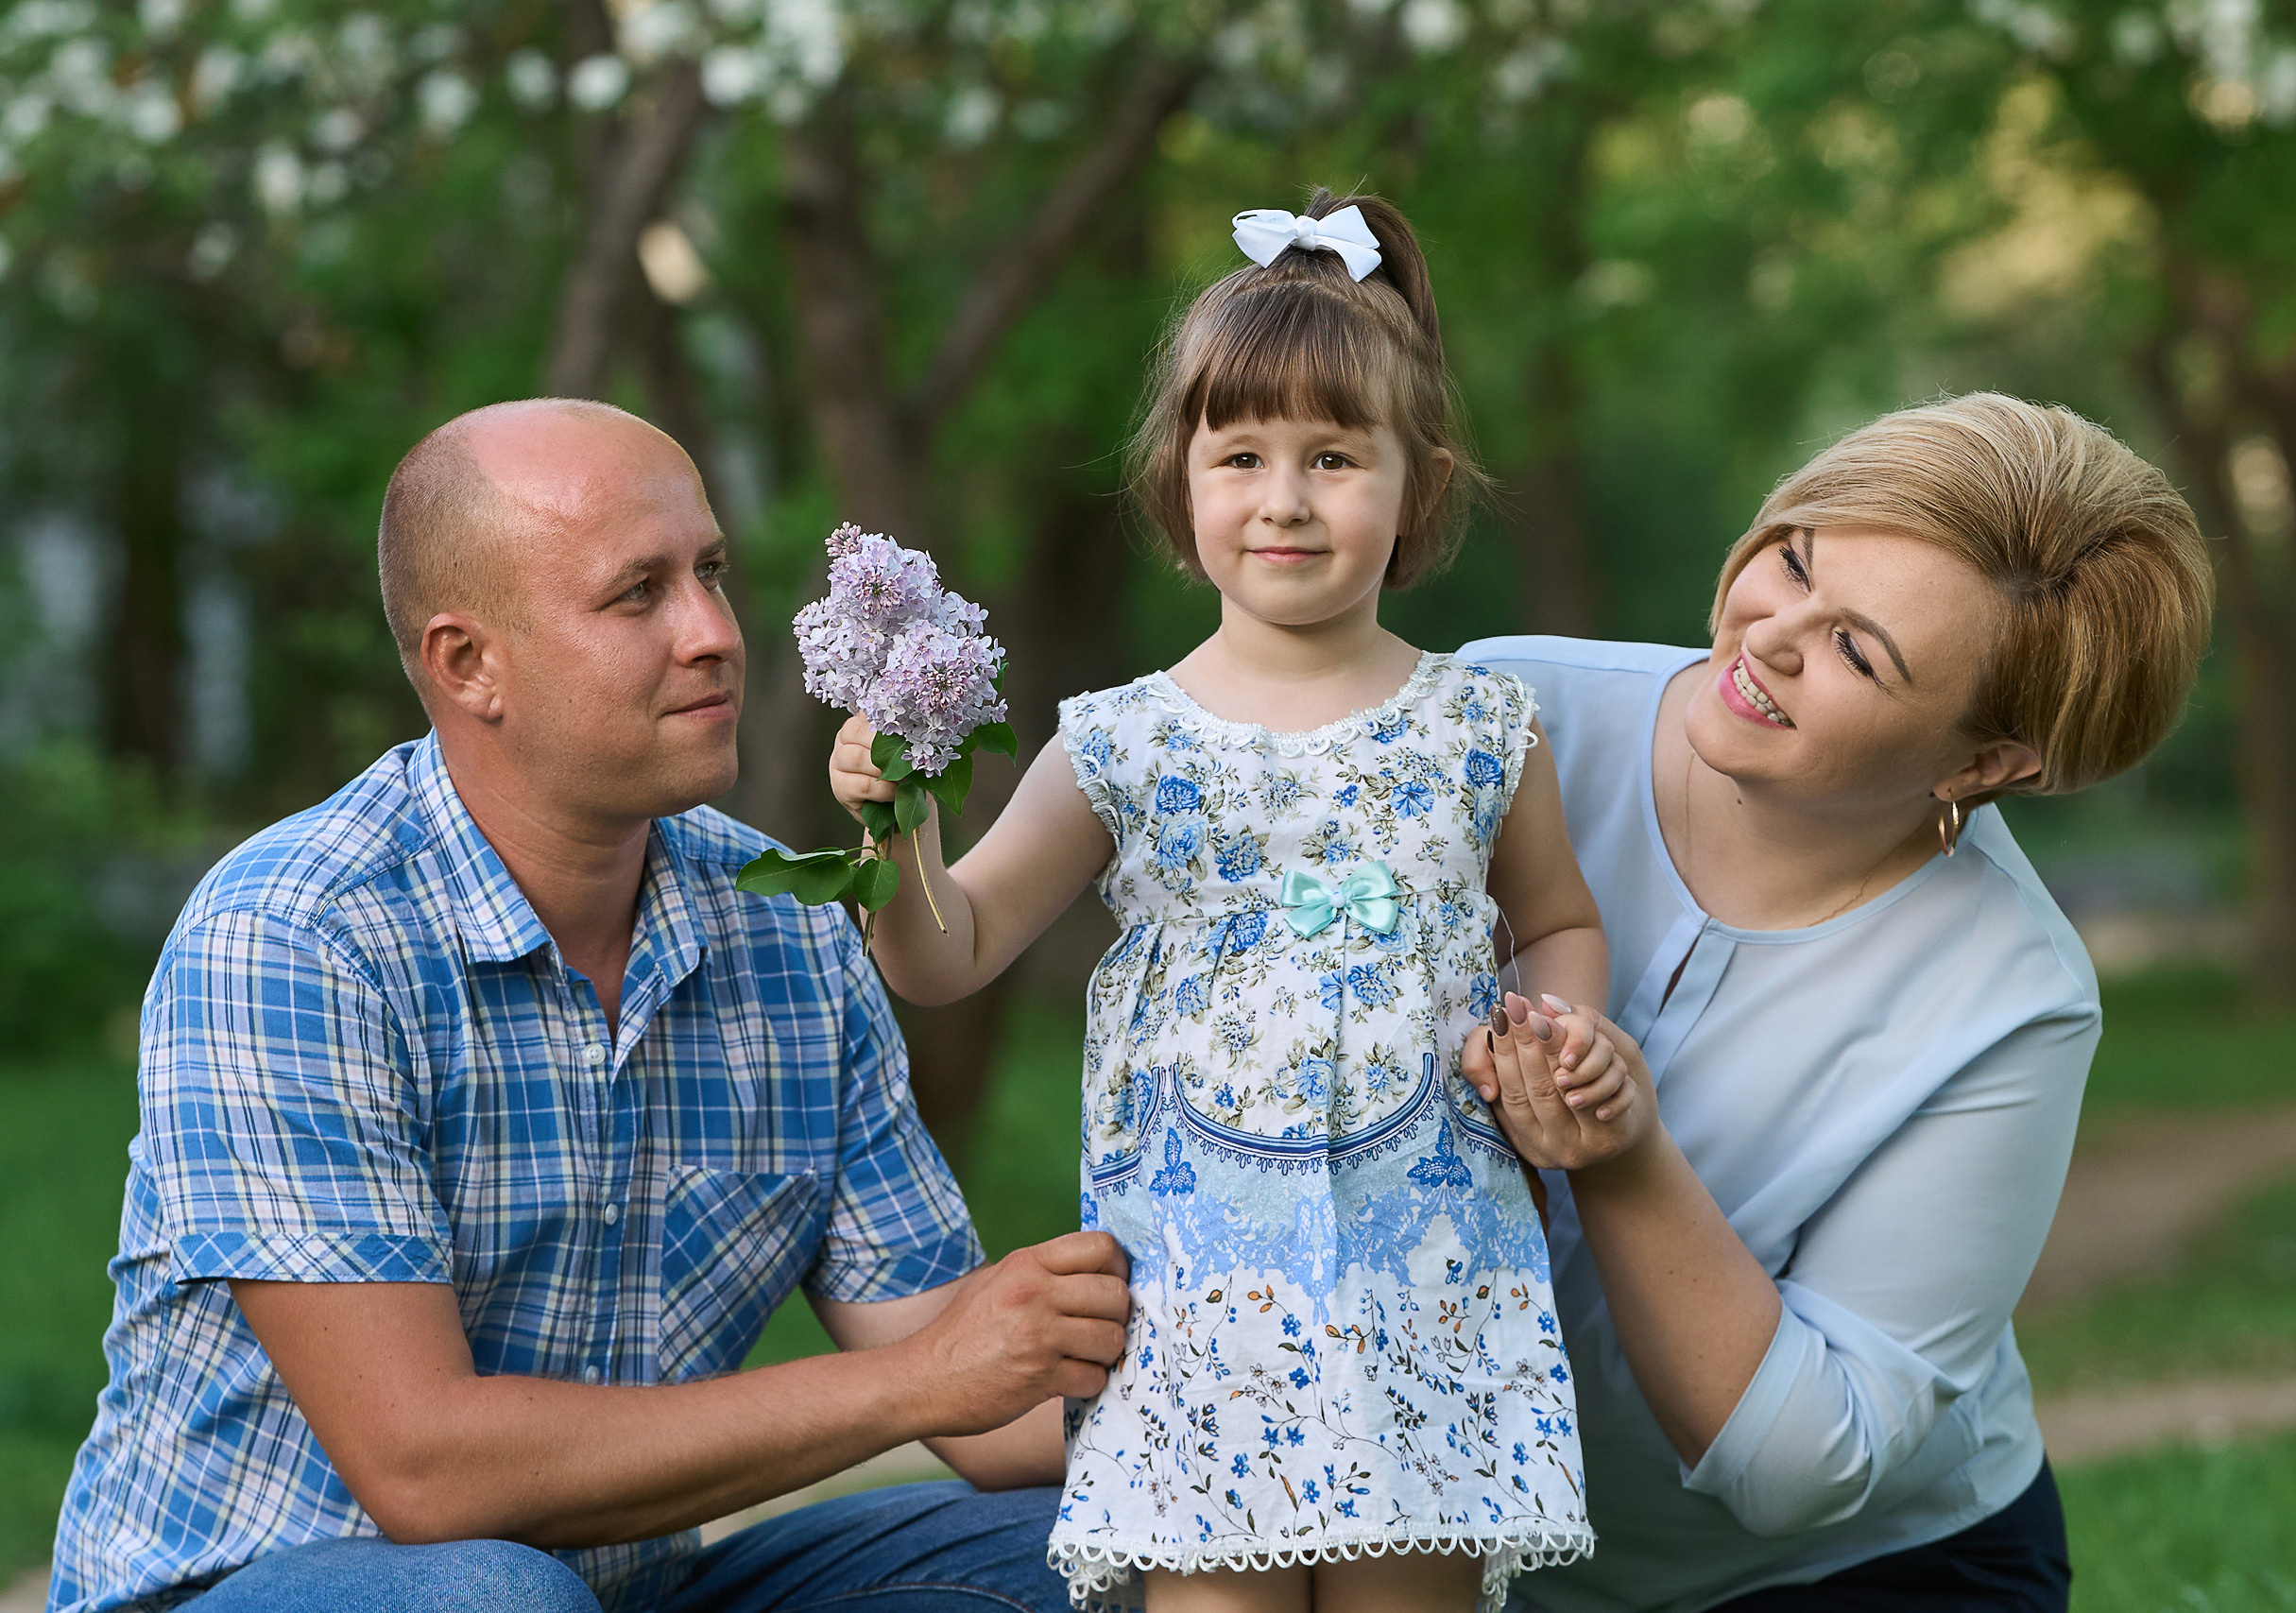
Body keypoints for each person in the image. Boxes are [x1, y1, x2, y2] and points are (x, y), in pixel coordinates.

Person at [49, 399, 1131, 1613]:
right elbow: (428, 1472)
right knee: (490, 1598)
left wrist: (1295, 1382)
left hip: (621, 1591)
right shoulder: (295, 938)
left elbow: (986, 1407)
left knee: (1101, 1551)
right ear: (469, 664)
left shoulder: (786, 930)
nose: (716, 632)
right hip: (275, 1587)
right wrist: (917, 1386)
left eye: (712, 573)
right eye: (639, 594)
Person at [827, 193, 1630, 1613]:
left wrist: (1556, 1032)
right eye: (1241, 454)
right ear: (1179, 487)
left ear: (1416, 485)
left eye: (1335, 456)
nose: (1285, 498)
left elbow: (1558, 914)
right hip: (1205, 1299)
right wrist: (905, 832)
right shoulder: (1123, 737)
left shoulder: (1479, 726)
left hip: (1425, 1278)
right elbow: (948, 953)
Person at [1454, 393, 2214, 1612]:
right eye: (1793, 558)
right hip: (1417, 1540)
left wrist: (1623, 1157)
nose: (1770, 634)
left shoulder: (2012, 998)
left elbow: (1803, 1464)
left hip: (1845, 1577)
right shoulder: (1490, 722)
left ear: (1981, 765)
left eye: (1861, 651)